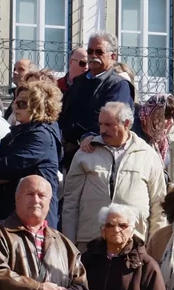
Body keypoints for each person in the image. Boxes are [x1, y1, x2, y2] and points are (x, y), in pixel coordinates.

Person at [60, 102, 166, 249]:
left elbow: (159, 204)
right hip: (91, 241)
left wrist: (156, 247)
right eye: (101, 124)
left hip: (134, 242)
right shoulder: (86, 153)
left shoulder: (148, 155)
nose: (102, 130)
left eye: (108, 124)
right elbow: (70, 203)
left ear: (126, 124)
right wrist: (70, 246)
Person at [0, 79, 62, 226]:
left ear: (38, 105)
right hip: (11, 212)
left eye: (22, 103)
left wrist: (3, 177)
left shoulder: (41, 136)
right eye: (15, 102)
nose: (15, 106)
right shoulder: (17, 133)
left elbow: (7, 167)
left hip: (34, 217)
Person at [58, 31, 135, 162]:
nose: (93, 56)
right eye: (90, 51)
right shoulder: (78, 82)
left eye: (99, 52)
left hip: (98, 154)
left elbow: (113, 120)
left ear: (113, 56)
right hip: (69, 153)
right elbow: (64, 112)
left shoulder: (118, 85)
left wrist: (90, 135)